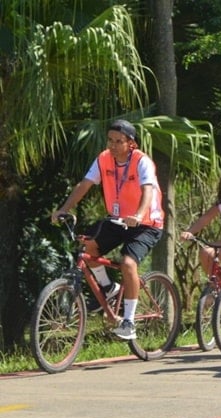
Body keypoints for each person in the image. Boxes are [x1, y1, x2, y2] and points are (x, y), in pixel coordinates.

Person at [51, 120, 164, 340]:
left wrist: (139, 214)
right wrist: (63, 209)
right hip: (118, 219)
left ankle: (129, 321)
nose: (113, 145)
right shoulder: (103, 159)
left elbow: (147, 190)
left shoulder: (142, 161)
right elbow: (84, 184)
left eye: (118, 141)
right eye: (110, 140)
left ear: (131, 143)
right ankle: (109, 286)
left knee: (128, 263)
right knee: (88, 246)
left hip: (146, 223)